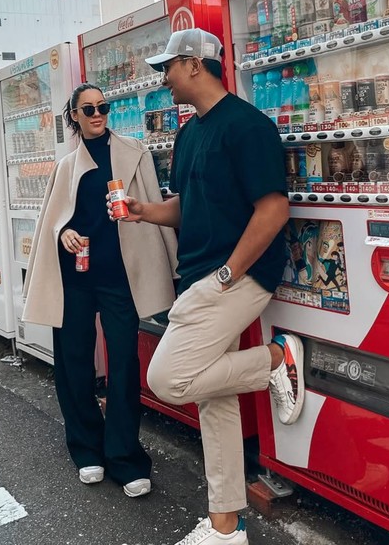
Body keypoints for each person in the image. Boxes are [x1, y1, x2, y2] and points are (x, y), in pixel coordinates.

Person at [110, 28, 305, 545]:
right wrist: (142, 212)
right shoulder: (190, 133)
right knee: (213, 399)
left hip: (234, 276)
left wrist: (229, 273)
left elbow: (273, 209)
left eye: (168, 67)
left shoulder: (247, 126)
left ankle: (274, 361)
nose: (163, 77)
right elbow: (185, 206)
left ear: (195, 64)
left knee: (169, 378)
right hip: (198, 272)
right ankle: (226, 527)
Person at [22, 83, 177, 498]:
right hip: (75, 276)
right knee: (73, 364)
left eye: (103, 107)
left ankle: (126, 457)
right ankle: (86, 448)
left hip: (119, 277)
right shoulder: (66, 165)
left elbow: (153, 204)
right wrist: (65, 233)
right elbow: (53, 222)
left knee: (124, 364)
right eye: (87, 109)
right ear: (73, 115)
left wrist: (175, 265)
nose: (97, 114)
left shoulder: (134, 152)